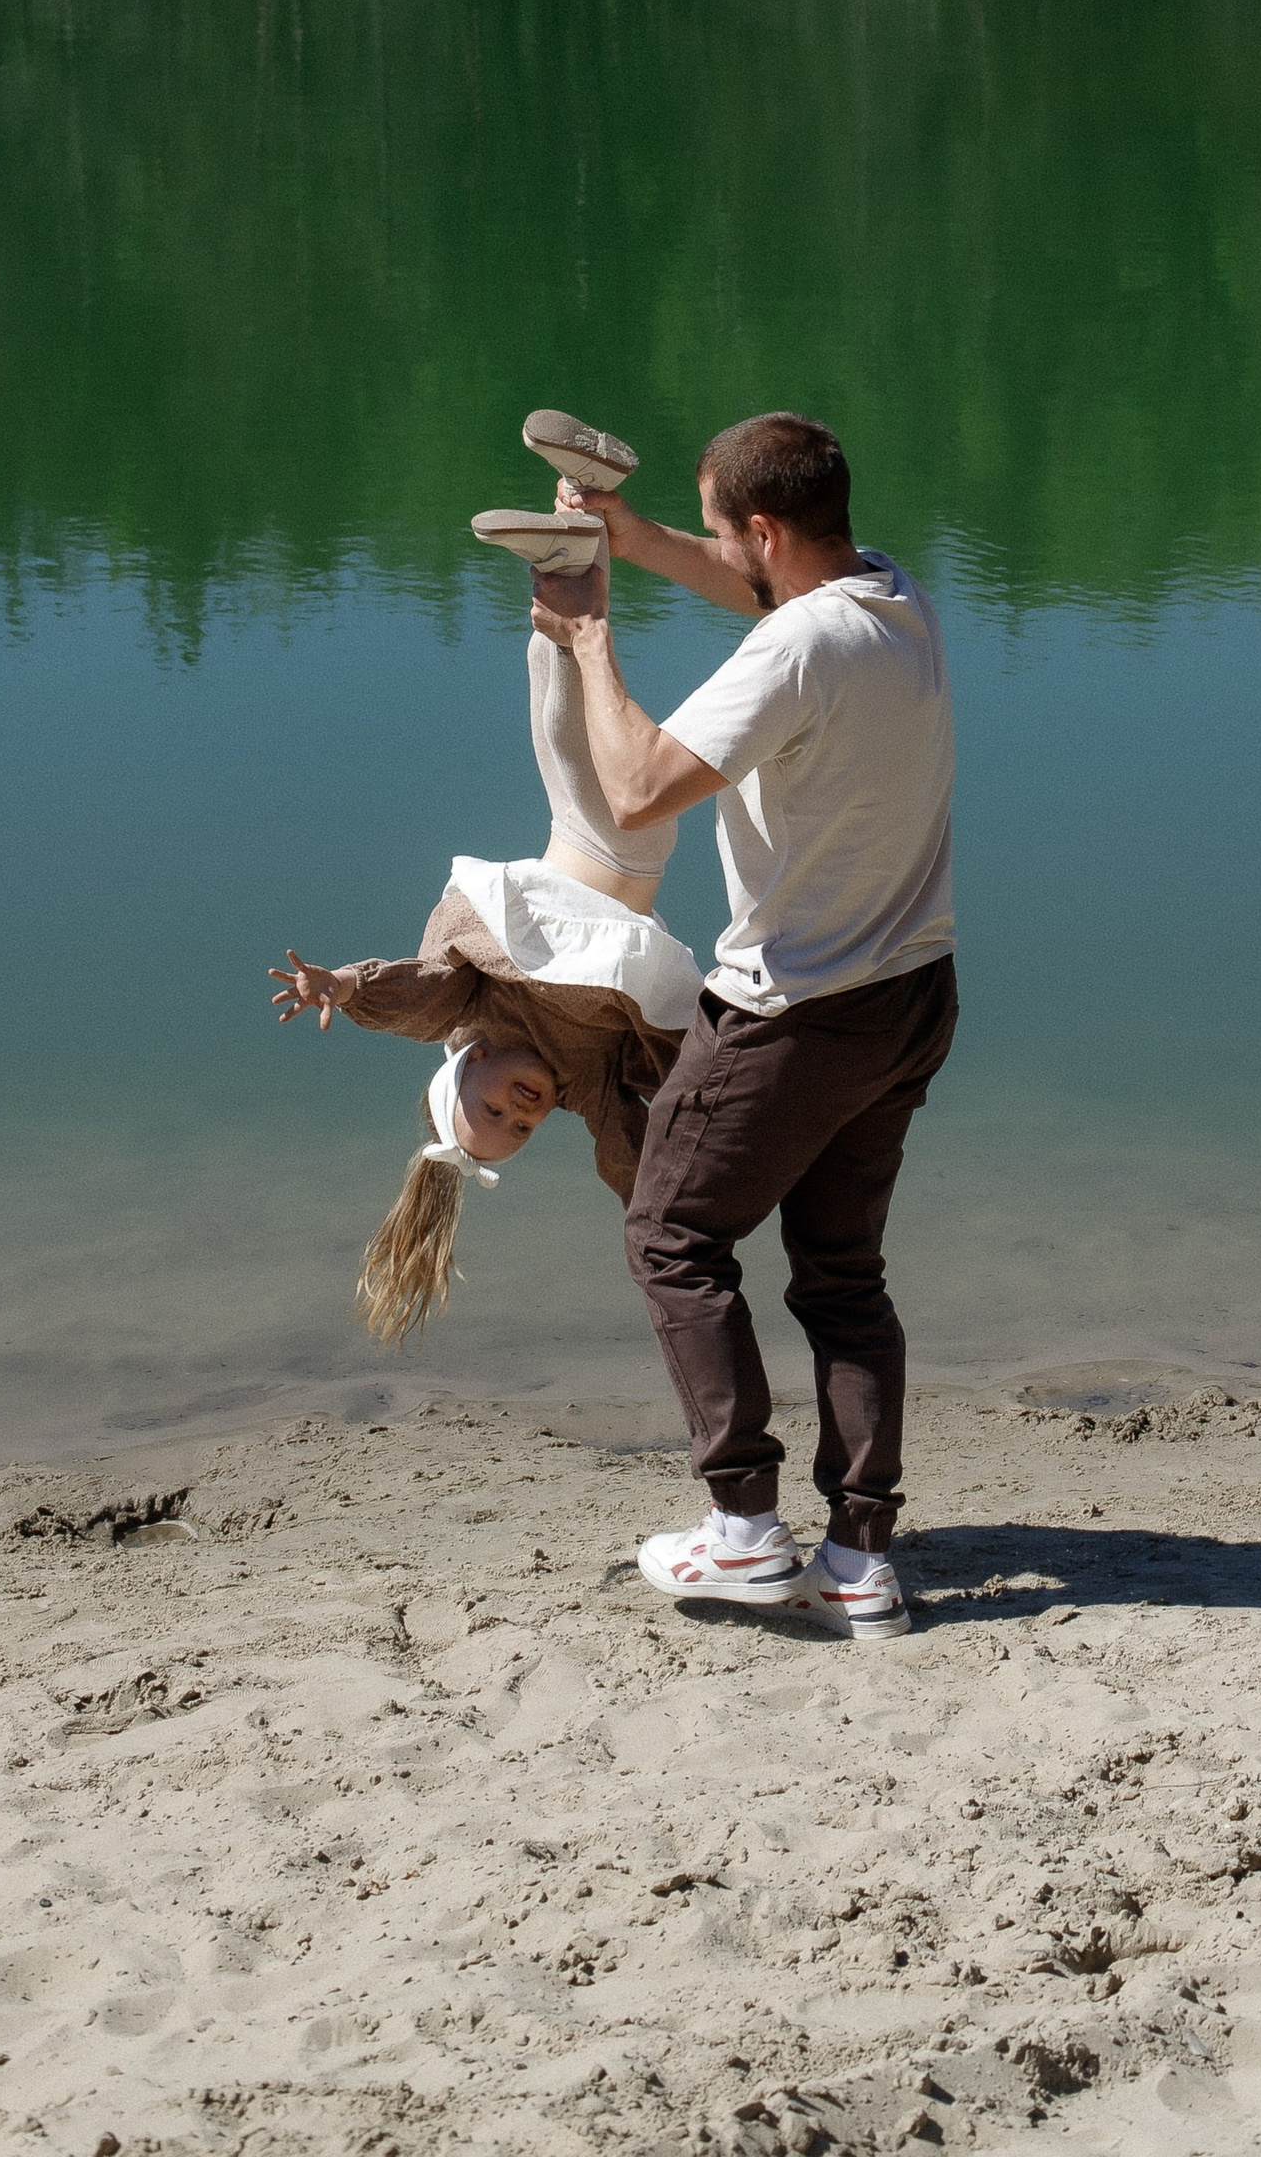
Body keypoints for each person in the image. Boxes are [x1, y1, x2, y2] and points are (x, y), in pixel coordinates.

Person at [532, 409, 956, 1642]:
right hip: (910, 994)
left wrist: (589, 639)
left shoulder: (793, 655)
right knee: (841, 1275)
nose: (723, 553)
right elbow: (759, 590)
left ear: (766, 528)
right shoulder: (890, 596)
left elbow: (635, 790)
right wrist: (638, 533)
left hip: (793, 1014)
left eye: (723, 531)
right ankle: (859, 1558)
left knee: (670, 1236)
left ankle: (745, 1531)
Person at [270, 515, 704, 1340]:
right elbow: (627, 1152)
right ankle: (569, 562)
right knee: (563, 726)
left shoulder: (471, 1010)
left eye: (494, 1108)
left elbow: (418, 995)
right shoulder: (583, 1081)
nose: (522, 1110)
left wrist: (344, 988)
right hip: (618, 855)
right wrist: (656, 1224)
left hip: (579, 859)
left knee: (563, 731)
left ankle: (570, 557)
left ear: (467, 1067)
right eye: (523, 1126)